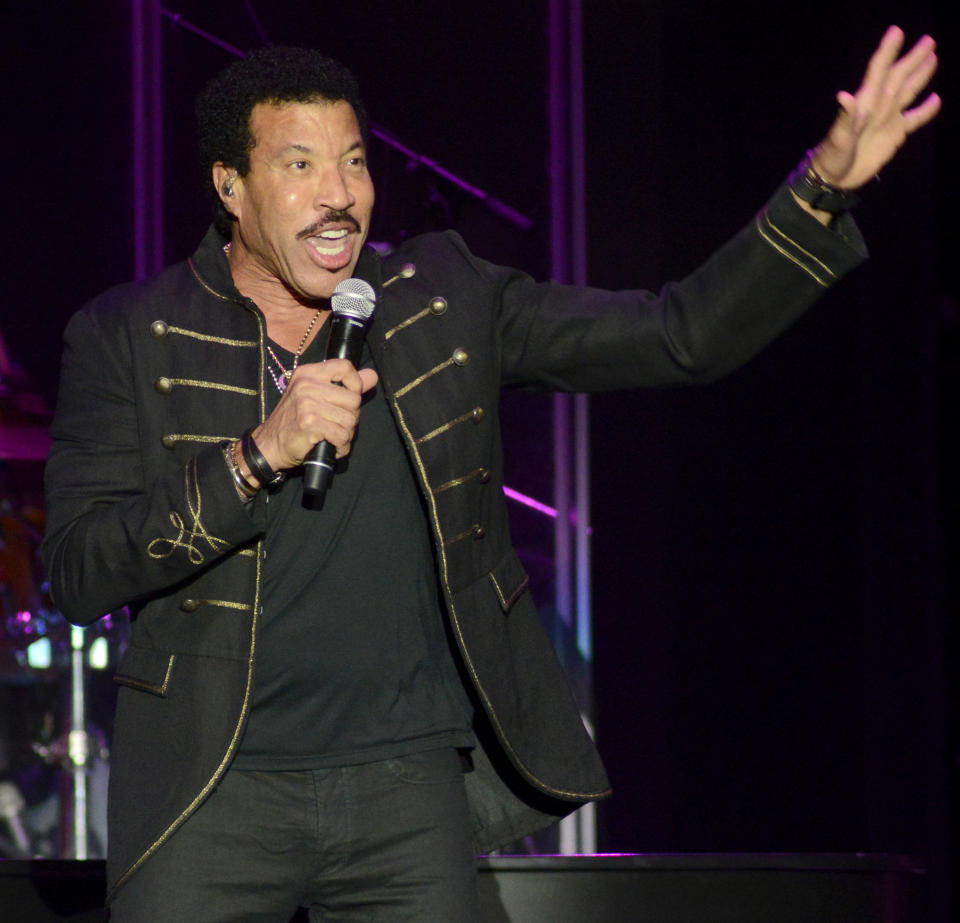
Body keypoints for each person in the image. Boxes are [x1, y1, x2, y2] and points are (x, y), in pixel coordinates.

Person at [41, 26, 939, 922]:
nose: (339, 196)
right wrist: (258, 456)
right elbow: (80, 569)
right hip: (213, 793)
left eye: (354, 163)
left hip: (405, 792)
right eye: (301, 165)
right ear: (230, 185)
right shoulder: (130, 333)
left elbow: (679, 335)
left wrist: (820, 189)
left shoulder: (439, 300)